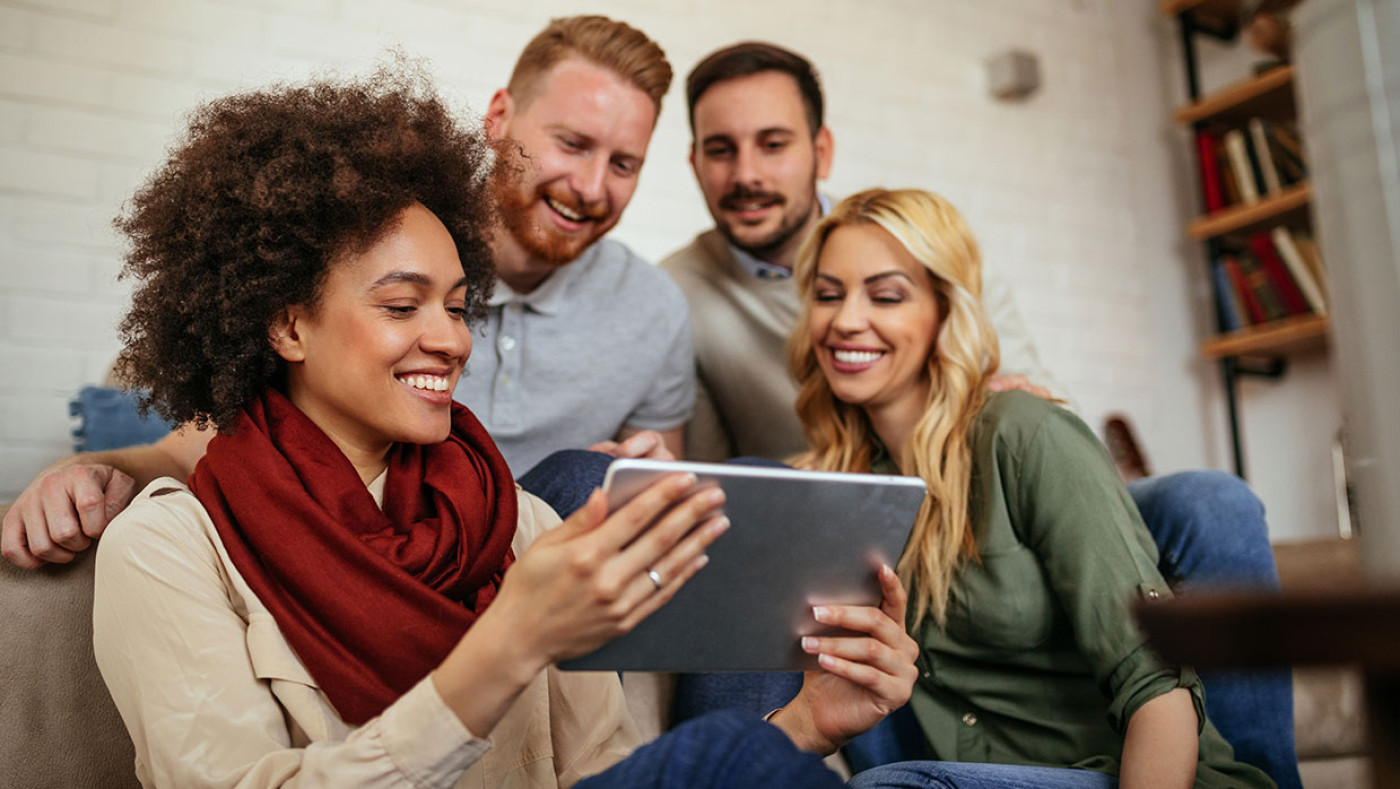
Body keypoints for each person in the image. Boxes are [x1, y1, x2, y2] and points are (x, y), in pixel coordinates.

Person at [90, 66, 917, 789]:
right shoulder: (167, 549)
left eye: (457, 307)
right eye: (402, 305)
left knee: (769, 753)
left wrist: (810, 723)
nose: (451, 339)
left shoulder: (518, 521)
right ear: (288, 326)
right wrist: (506, 644)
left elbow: (607, 774)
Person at [660, 42, 1301, 788]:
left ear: (818, 149)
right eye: (828, 296)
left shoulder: (999, 400)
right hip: (852, 519)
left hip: (999, 478)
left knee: (1208, 503)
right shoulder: (678, 296)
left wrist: (985, 421)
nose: (747, 172)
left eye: (887, 295)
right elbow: (713, 474)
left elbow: (1040, 410)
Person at [2, 15, 689, 570]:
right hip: (375, 555)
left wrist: (646, 474)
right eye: (572, 143)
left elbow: (662, 510)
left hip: (534, 557)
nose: (594, 186)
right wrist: (89, 470)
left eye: (623, 163)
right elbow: (193, 448)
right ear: (500, 116)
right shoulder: (371, 254)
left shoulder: (655, 311)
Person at [789, 187, 1271, 789]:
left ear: (945, 311)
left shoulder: (1022, 434)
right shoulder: (834, 492)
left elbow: (1155, 680)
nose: (845, 319)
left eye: (885, 295)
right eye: (827, 295)